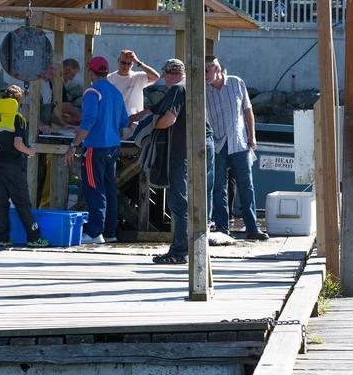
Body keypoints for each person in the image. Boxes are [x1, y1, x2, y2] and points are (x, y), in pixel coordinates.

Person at [151, 59, 215, 265]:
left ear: (171, 73)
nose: (163, 78)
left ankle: (180, 251)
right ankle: (193, 248)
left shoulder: (178, 89)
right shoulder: (193, 86)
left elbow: (169, 119)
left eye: (165, 74)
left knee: (179, 203)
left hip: (182, 153)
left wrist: (151, 127)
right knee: (196, 201)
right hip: (202, 149)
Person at [65, 55, 128, 244]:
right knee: (109, 189)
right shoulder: (116, 92)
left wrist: (73, 145)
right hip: (113, 147)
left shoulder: (92, 92)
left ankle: (94, 232)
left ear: (90, 72)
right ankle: (110, 232)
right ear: (106, 71)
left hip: (95, 148)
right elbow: (124, 121)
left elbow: (89, 121)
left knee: (94, 189)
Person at [205, 56, 269, 241]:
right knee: (219, 187)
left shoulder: (236, 82)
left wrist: (252, 135)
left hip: (239, 142)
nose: (204, 75)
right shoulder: (202, 89)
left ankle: (252, 227)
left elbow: (248, 110)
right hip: (216, 144)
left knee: (246, 186)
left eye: (206, 71)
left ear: (216, 68)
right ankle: (223, 229)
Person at [0, 85, 48, 248]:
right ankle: (34, 238)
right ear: (18, 101)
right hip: (14, 166)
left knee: (0, 203)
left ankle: (2, 238)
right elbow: (18, 143)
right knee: (22, 202)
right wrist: (30, 151)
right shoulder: (17, 118)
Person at [107, 50, 160, 137]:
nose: (126, 66)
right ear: (118, 61)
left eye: (129, 64)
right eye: (123, 63)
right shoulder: (109, 78)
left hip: (134, 124)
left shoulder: (138, 77)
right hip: (115, 124)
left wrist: (138, 62)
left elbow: (156, 77)